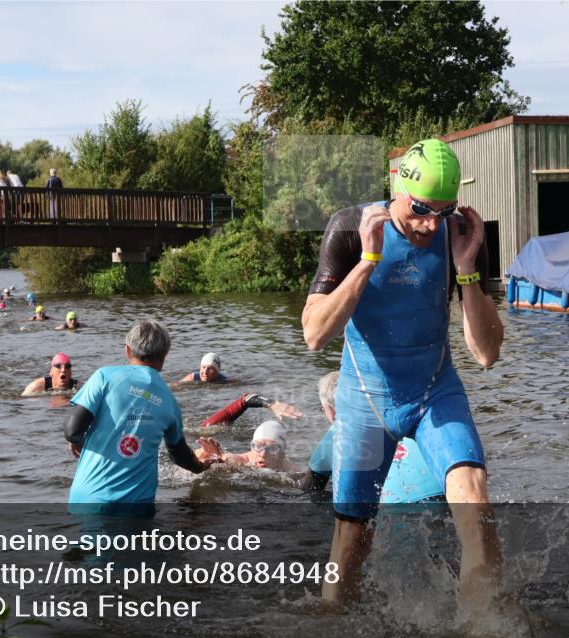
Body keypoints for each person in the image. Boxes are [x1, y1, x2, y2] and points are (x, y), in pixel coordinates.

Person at [300, 138, 503, 609]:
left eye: (443, 210)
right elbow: (314, 334)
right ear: (398, 188)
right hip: (366, 400)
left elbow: (487, 353)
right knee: (352, 537)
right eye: (420, 210)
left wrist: (467, 269)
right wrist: (367, 262)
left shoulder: (457, 235)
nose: (431, 224)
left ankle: (487, 634)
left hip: (434, 391)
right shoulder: (350, 228)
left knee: (473, 494)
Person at [63, 320, 218, 509]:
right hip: (135, 506)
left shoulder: (103, 377)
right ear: (164, 356)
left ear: (128, 350)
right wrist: (200, 466)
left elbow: (72, 431)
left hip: (86, 499)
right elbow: (178, 454)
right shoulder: (169, 401)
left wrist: (77, 442)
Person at [303, 372, 443, 503]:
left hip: (395, 507)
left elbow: (310, 487)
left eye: (323, 410)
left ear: (332, 411)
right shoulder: (404, 413)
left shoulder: (338, 430)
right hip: (445, 496)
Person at [194, 420, 298, 473]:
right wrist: (217, 456)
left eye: (272, 449)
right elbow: (229, 460)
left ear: (282, 453)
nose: (263, 454)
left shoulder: (288, 467)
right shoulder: (242, 461)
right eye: (258, 446)